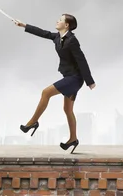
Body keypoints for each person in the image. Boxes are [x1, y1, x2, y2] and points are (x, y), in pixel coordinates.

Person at [13, 14, 95, 153]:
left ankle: (32, 122)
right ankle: (73, 139)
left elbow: (82, 60)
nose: (57, 21)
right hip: (68, 76)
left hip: (75, 78)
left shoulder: (72, 41)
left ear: (67, 25)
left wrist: (90, 81)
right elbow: (42, 33)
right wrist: (24, 25)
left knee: (46, 92)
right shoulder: (57, 37)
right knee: (68, 110)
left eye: (60, 20)